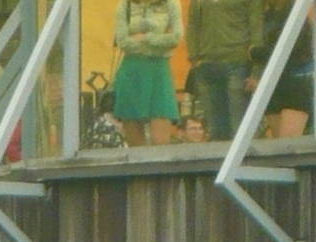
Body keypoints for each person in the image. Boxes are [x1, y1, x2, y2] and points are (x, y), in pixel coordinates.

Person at [187, 0, 265, 139]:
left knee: (241, 129)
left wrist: (256, 71)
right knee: (215, 131)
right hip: (206, 66)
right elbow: (193, 25)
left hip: (238, 64)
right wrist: (194, 59)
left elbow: (257, 31)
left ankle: (245, 161)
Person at [113, 0, 185, 145]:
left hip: (159, 70)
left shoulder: (171, 4)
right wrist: (160, 42)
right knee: (135, 145)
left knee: (160, 142)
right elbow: (123, 42)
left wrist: (146, 38)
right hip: (132, 71)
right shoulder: (125, 5)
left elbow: (176, 38)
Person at [249, 3, 316, 138]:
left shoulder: (298, 12)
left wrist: (256, 52)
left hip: (295, 80)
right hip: (273, 82)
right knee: (277, 143)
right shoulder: (267, 14)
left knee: (288, 143)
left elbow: (295, 48)